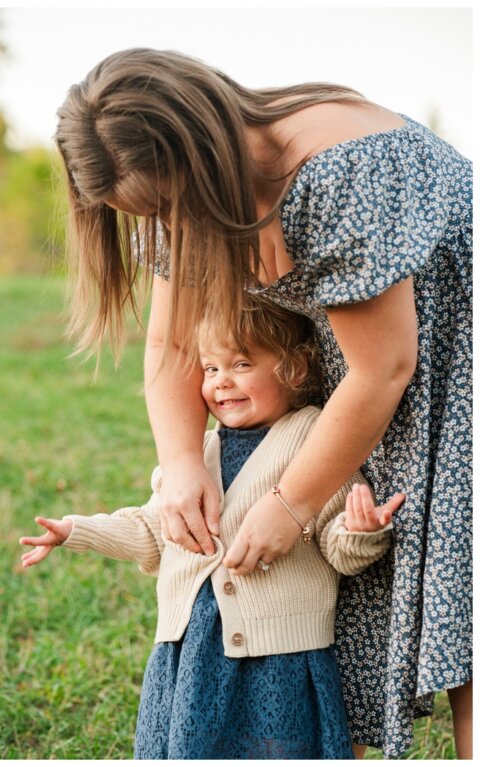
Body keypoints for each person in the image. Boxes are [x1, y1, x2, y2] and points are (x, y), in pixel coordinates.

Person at [54, 48, 471, 757]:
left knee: (463, 597)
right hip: (372, 374)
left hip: (453, 359)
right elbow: (171, 348)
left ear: (199, 154)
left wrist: (291, 504)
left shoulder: (337, 171)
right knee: (353, 589)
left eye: (166, 208)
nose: (169, 229)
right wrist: (183, 462)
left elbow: (385, 366)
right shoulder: (188, 185)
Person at [20, 296, 403, 758]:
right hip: (191, 652)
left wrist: (360, 531)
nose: (222, 382)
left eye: (241, 364)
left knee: (274, 746)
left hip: (278, 660)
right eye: (210, 369)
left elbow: (334, 544)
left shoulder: (313, 440)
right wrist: (75, 531)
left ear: (296, 369)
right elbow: (150, 529)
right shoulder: (195, 454)